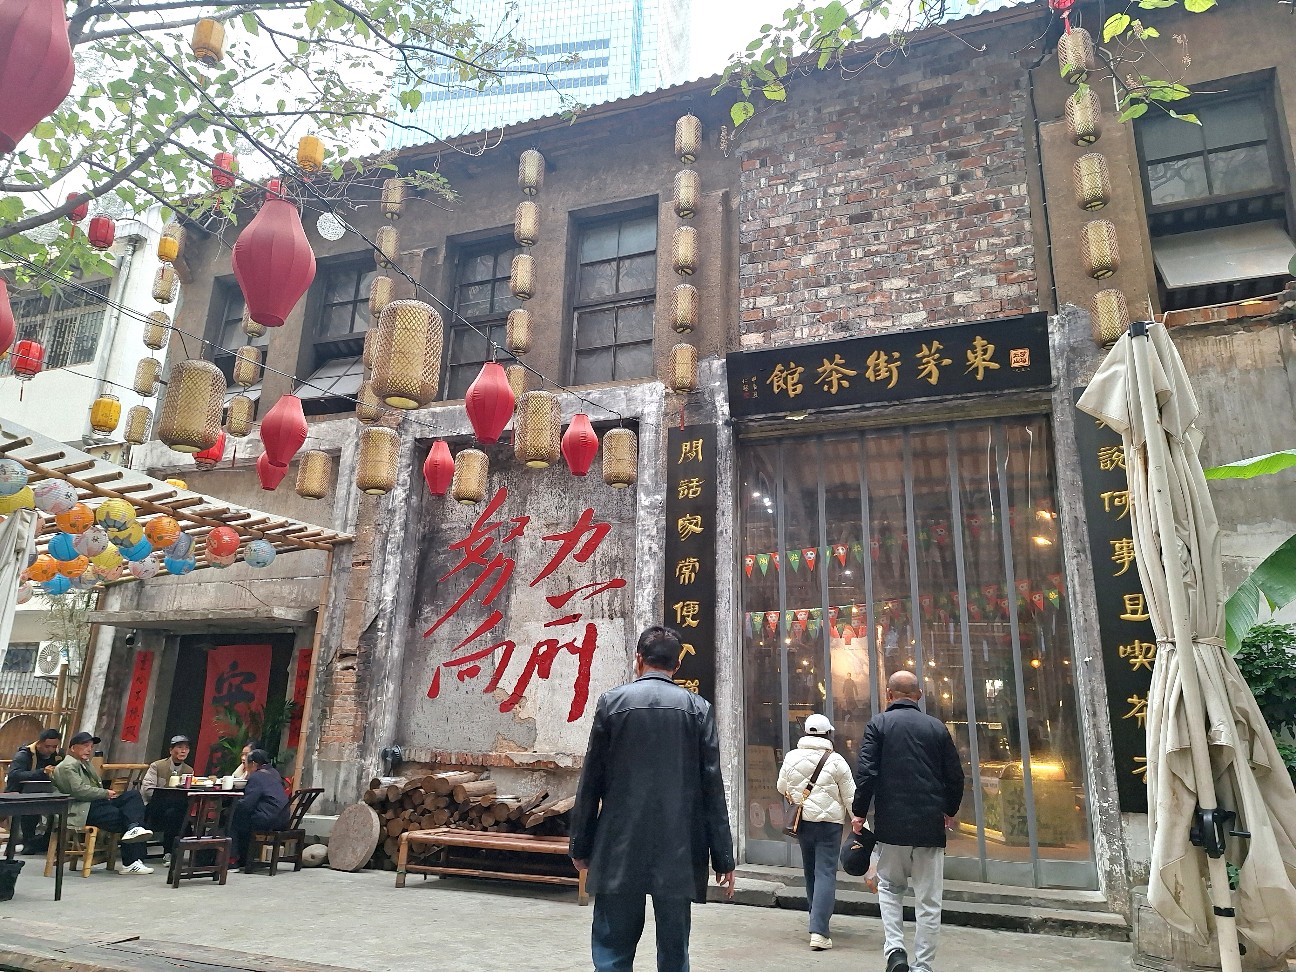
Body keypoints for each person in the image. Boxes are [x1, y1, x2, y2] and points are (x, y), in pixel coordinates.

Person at [570, 625, 735, 972]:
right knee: (674, 953)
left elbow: (591, 782)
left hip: (619, 845)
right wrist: (723, 858)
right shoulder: (698, 709)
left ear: (639, 659)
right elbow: (711, 787)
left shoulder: (612, 703)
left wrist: (580, 846)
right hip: (679, 847)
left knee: (612, 952)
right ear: (677, 665)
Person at [852, 671, 964, 972]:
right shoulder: (936, 727)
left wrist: (859, 812)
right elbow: (955, 776)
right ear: (919, 695)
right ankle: (923, 966)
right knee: (929, 900)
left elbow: (866, 773)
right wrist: (949, 810)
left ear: (889, 694)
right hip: (930, 826)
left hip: (891, 826)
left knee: (889, 888)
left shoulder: (878, 724)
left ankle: (895, 952)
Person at [777, 713, 856, 951]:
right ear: (828, 733)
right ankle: (819, 931)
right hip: (829, 825)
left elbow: (781, 786)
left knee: (811, 871)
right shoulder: (837, 761)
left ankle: (816, 919)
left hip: (803, 822)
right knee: (825, 873)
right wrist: (860, 824)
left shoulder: (791, 757)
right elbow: (851, 797)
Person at [50, 732, 154, 874]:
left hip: (95, 803)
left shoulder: (84, 764)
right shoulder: (67, 766)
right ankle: (131, 861)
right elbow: (78, 791)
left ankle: (133, 830)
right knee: (128, 818)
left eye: (91, 746)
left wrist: (104, 795)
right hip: (82, 808)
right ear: (73, 748)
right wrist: (104, 793)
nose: (89, 749)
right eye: (85, 746)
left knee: (133, 797)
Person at [4, 728, 62, 854]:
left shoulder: (57, 755)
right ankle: (28, 841)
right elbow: (14, 775)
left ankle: (45, 841)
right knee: (31, 805)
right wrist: (41, 772)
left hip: (44, 791)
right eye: (47, 746)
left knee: (59, 806)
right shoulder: (24, 755)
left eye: (54, 747)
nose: (51, 750)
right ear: (39, 743)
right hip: (19, 791)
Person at [230, 749, 289, 866]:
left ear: (253, 764)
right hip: (283, 818)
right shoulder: (274, 773)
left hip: (268, 820)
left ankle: (233, 859)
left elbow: (247, 804)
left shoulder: (256, 777)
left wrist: (232, 807)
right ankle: (244, 858)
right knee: (241, 818)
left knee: (233, 820)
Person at [141, 735, 195, 860]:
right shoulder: (157, 766)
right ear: (171, 750)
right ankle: (174, 849)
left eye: (186, 748)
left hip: (174, 811)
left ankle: (170, 852)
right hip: (154, 808)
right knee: (178, 811)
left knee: (176, 812)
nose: (183, 751)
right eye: (180, 747)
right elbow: (147, 790)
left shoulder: (189, 770)